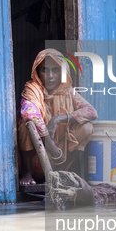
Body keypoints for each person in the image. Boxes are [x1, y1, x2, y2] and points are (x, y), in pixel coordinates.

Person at [18, 49, 98, 186]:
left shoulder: (67, 92)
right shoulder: (32, 89)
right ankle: (27, 172)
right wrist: (49, 143)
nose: (50, 76)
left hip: (59, 159)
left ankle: (59, 174)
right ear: (38, 72)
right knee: (26, 124)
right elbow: (29, 113)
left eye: (55, 70)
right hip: (38, 156)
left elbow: (91, 112)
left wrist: (58, 119)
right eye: (45, 70)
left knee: (87, 127)